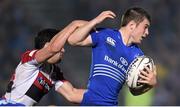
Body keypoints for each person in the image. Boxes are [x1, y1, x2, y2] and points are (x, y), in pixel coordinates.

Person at [68, 7, 157, 106]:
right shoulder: (105, 35)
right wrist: (95, 21)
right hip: (91, 101)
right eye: (145, 27)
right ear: (132, 25)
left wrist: (150, 85)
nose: (147, 32)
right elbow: (73, 40)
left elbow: (134, 91)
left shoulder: (138, 57)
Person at [1, 20, 86, 106]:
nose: (63, 50)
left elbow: (73, 95)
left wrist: (99, 95)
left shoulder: (54, 72)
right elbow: (53, 49)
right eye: (61, 46)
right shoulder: (29, 58)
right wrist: (74, 24)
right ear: (46, 46)